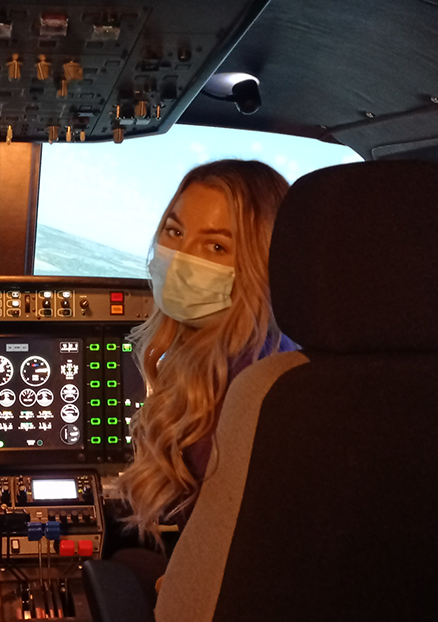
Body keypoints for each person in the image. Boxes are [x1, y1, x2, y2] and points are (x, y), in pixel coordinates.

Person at [113, 159, 295, 600]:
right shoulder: (283, 352)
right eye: (175, 233)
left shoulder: (241, 387)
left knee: (119, 562)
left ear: (261, 262)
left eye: (215, 247)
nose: (181, 259)